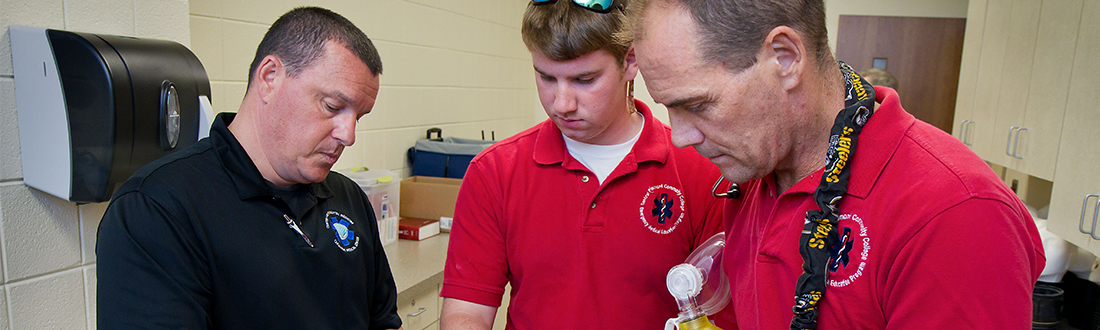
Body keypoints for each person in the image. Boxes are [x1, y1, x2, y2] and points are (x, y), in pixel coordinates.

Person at [619, 0, 1045, 328]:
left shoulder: (955, 214)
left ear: (785, 57)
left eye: (697, 105)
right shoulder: (755, 174)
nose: (681, 136)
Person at [96, 7, 402, 329]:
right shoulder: (157, 210)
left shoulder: (348, 197)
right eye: (332, 106)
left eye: (359, 117)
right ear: (270, 77)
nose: (348, 135)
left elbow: (382, 321)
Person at [439, 0, 726, 329]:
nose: (562, 103)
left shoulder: (703, 171)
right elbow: (467, 313)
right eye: (546, 77)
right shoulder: (495, 172)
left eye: (584, 80)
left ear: (630, 61)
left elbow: (721, 311)